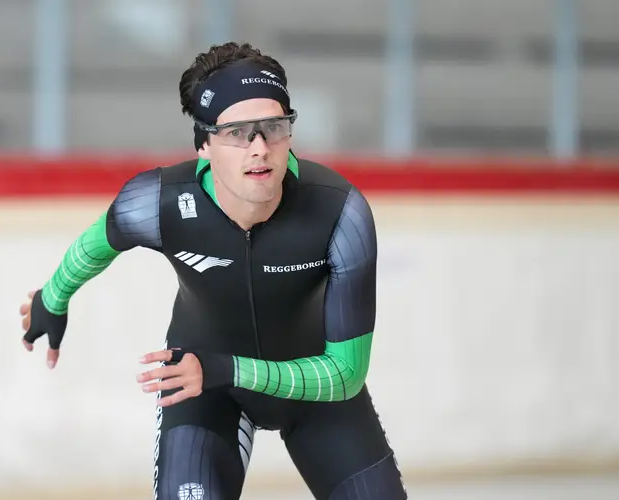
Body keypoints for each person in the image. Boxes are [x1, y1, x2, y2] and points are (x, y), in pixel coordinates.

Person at [20, 41, 408, 500]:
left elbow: (345, 374)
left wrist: (227, 368)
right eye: (238, 132)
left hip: (314, 389)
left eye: (273, 127)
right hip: (202, 387)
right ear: (204, 144)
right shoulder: (156, 202)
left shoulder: (340, 213)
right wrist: (52, 299)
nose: (259, 148)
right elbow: (95, 246)